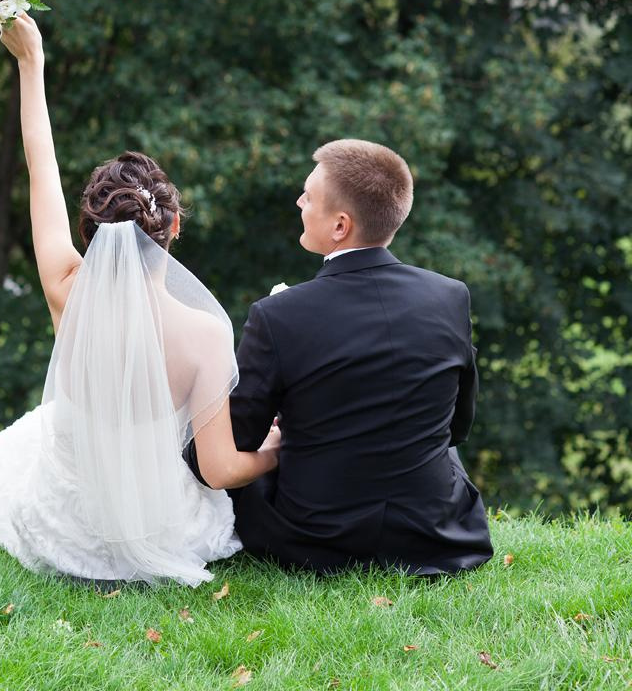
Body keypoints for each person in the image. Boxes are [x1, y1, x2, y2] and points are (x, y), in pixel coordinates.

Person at [0, 14, 279, 586]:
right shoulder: (206, 332)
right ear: (174, 225)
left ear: (90, 232)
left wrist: (30, 65)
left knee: (36, 433)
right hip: (163, 526)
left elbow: (40, 164)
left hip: (64, 526)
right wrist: (278, 446)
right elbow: (220, 468)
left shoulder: (66, 287)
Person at [186, 138, 493, 575]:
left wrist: (285, 432)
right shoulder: (449, 296)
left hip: (319, 539)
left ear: (339, 226)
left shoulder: (277, 315)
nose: (299, 201)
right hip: (433, 535)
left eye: (308, 196)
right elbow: (457, 427)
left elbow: (236, 442)